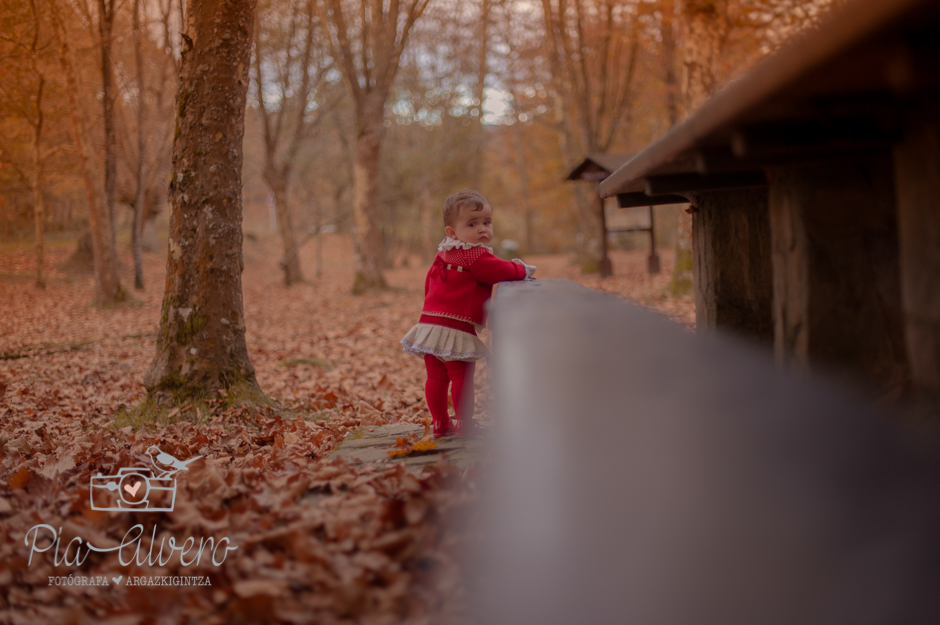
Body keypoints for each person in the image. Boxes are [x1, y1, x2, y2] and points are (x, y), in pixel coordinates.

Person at [401, 190, 536, 437]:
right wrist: (521, 268)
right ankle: (464, 424)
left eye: (487, 222)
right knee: (461, 377)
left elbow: (428, 283)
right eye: (472, 224)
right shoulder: (476, 255)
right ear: (451, 232)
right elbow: (498, 271)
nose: (482, 229)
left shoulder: (444, 252)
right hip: (456, 327)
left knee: (436, 378)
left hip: (429, 324)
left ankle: (441, 423)